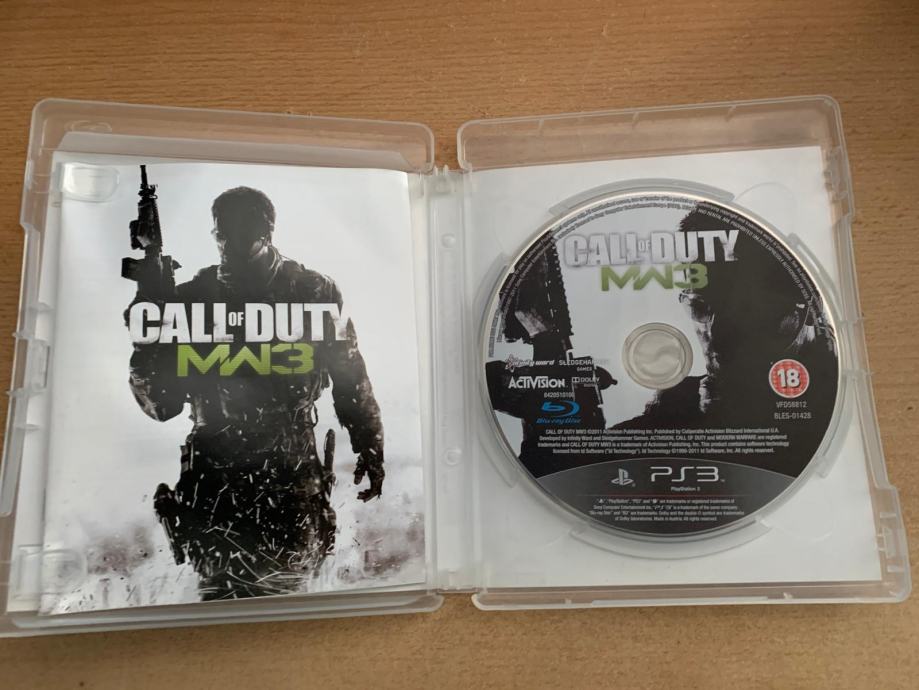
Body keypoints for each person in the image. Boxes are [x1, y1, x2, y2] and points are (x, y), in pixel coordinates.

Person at [127, 186, 384, 600]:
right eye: (222, 232)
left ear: (267, 231)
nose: (229, 242)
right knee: (220, 604)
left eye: (242, 231)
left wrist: (370, 444)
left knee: (289, 600)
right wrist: (148, 326)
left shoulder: (313, 291)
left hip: (290, 480)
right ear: (214, 233)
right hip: (216, 486)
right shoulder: (190, 299)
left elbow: (350, 374)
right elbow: (161, 406)